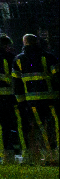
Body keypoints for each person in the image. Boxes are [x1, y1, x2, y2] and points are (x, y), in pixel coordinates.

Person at [13, 33, 57, 165]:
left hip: (32, 101)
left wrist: (20, 102)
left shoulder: (19, 60)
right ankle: (55, 154)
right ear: (37, 42)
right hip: (51, 99)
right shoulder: (49, 57)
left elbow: (17, 83)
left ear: (24, 43)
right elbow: (57, 77)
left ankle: (49, 155)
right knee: (55, 126)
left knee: (41, 127)